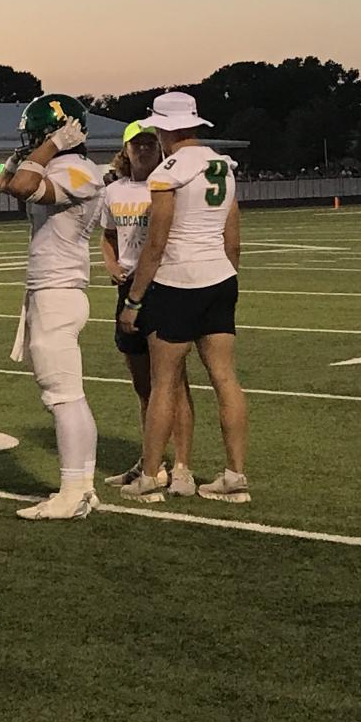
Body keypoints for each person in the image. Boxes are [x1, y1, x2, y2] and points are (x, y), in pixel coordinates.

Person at [117, 91, 249, 504]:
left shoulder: (168, 172)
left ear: (163, 127)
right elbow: (233, 240)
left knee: (163, 384)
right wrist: (225, 276)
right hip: (219, 278)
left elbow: (156, 244)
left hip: (177, 282)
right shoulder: (223, 166)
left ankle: (151, 474)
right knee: (226, 379)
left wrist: (134, 300)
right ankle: (234, 475)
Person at [0, 95, 106, 521]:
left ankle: (74, 488)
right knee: (66, 395)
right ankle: (83, 486)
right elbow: (5, 184)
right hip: (53, 290)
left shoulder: (76, 168)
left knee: (63, 396)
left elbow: (23, 187)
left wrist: (50, 148)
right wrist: (35, 153)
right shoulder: (56, 163)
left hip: (59, 291)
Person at [100, 122, 196, 494]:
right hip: (127, 288)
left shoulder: (168, 183)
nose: (142, 149)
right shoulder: (113, 191)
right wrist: (111, 265)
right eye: (136, 144)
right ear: (125, 149)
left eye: (148, 143)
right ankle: (152, 461)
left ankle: (183, 465)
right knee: (144, 386)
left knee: (173, 382)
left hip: (165, 285)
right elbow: (109, 237)